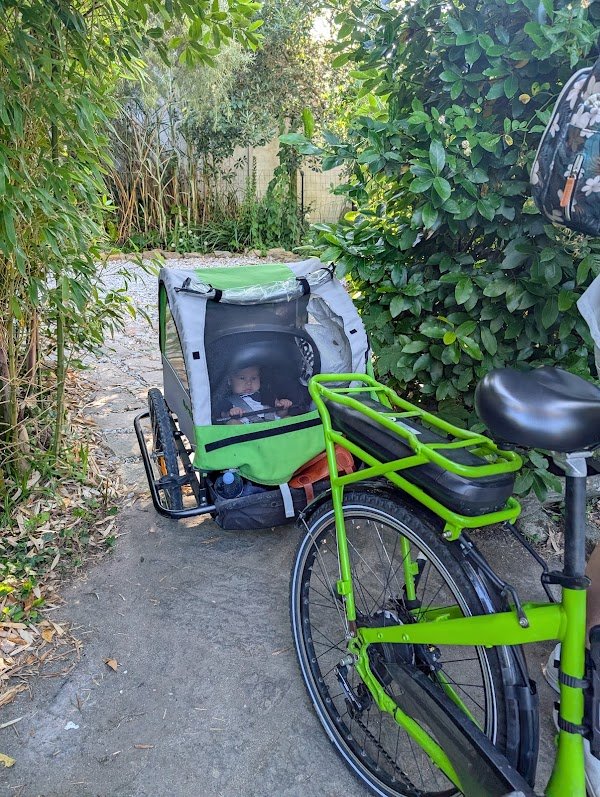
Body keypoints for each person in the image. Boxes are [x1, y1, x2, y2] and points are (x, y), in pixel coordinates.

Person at [219, 365, 292, 424]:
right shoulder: (228, 401)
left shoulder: (266, 394)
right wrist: (231, 413)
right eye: (242, 378)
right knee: (232, 423)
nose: (249, 383)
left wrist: (283, 406)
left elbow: (281, 414)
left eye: (253, 378)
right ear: (230, 381)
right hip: (247, 431)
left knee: (289, 419)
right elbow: (223, 416)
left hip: (272, 425)